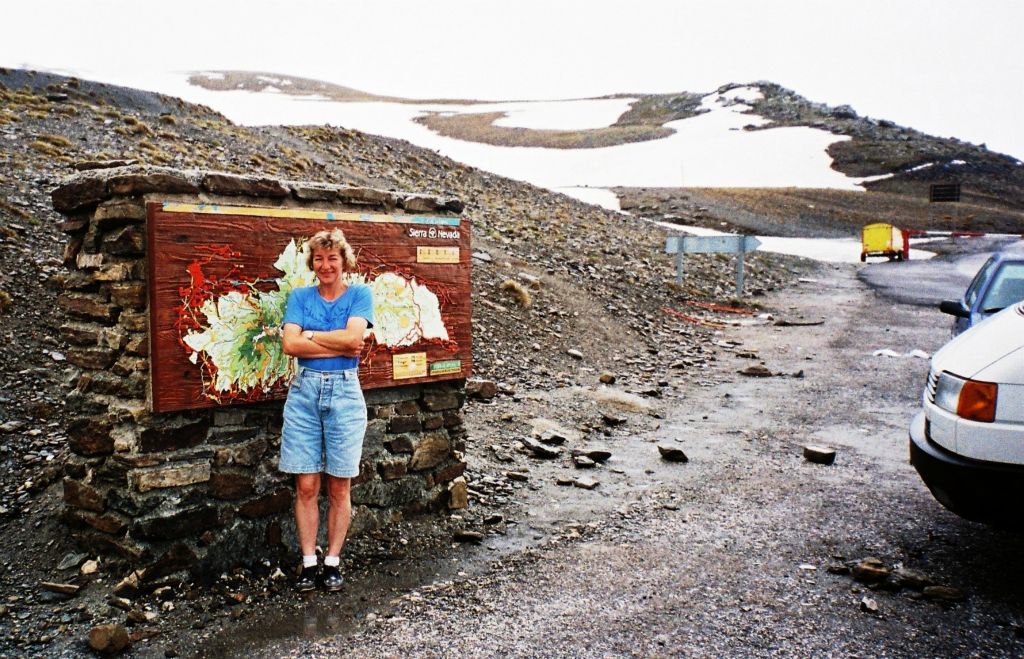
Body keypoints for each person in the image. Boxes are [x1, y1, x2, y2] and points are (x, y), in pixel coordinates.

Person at [279, 228, 374, 592]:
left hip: (346, 394)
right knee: (305, 483)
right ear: (312, 262)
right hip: (304, 392)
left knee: (339, 485)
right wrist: (331, 341)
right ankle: (308, 561)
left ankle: (332, 560)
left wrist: (312, 336)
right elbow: (290, 344)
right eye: (319, 258)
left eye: (332, 258)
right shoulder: (300, 297)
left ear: (344, 260)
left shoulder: (359, 295)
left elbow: (355, 342)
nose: (325, 265)